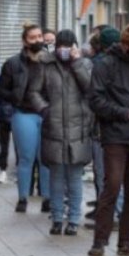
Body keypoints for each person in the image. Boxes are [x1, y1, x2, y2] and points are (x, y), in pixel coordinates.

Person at [87, 22, 129, 256]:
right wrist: (126, 113)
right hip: (115, 132)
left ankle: (126, 240)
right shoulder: (106, 64)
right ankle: (100, 240)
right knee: (113, 185)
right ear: (125, 45)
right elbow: (96, 100)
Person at [27, 30, 94, 235]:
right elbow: (33, 91)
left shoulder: (85, 64)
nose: (64, 50)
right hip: (53, 127)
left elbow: (91, 89)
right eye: (60, 46)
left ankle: (73, 219)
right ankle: (56, 218)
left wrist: (76, 63)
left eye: (68, 46)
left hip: (78, 130)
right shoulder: (45, 65)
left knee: (74, 178)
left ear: (75, 46)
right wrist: (44, 109)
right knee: (55, 177)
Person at [0, 23, 52, 213]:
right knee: (26, 157)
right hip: (23, 114)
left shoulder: (51, 61)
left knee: (45, 158)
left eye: (39, 36)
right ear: (25, 41)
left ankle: (47, 198)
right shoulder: (13, 63)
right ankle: (22, 198)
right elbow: (1, 89)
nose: (37, 40)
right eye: (33, 37)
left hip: (46, 114)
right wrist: (16, 98)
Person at [86, 27, 126, 225]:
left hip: (103, 129)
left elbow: (94, 99)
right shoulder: (128, 65)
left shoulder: (98, 66)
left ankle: (113, 216)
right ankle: (118, 215)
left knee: (106, 176)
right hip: (123, 127)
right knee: (116, 176)